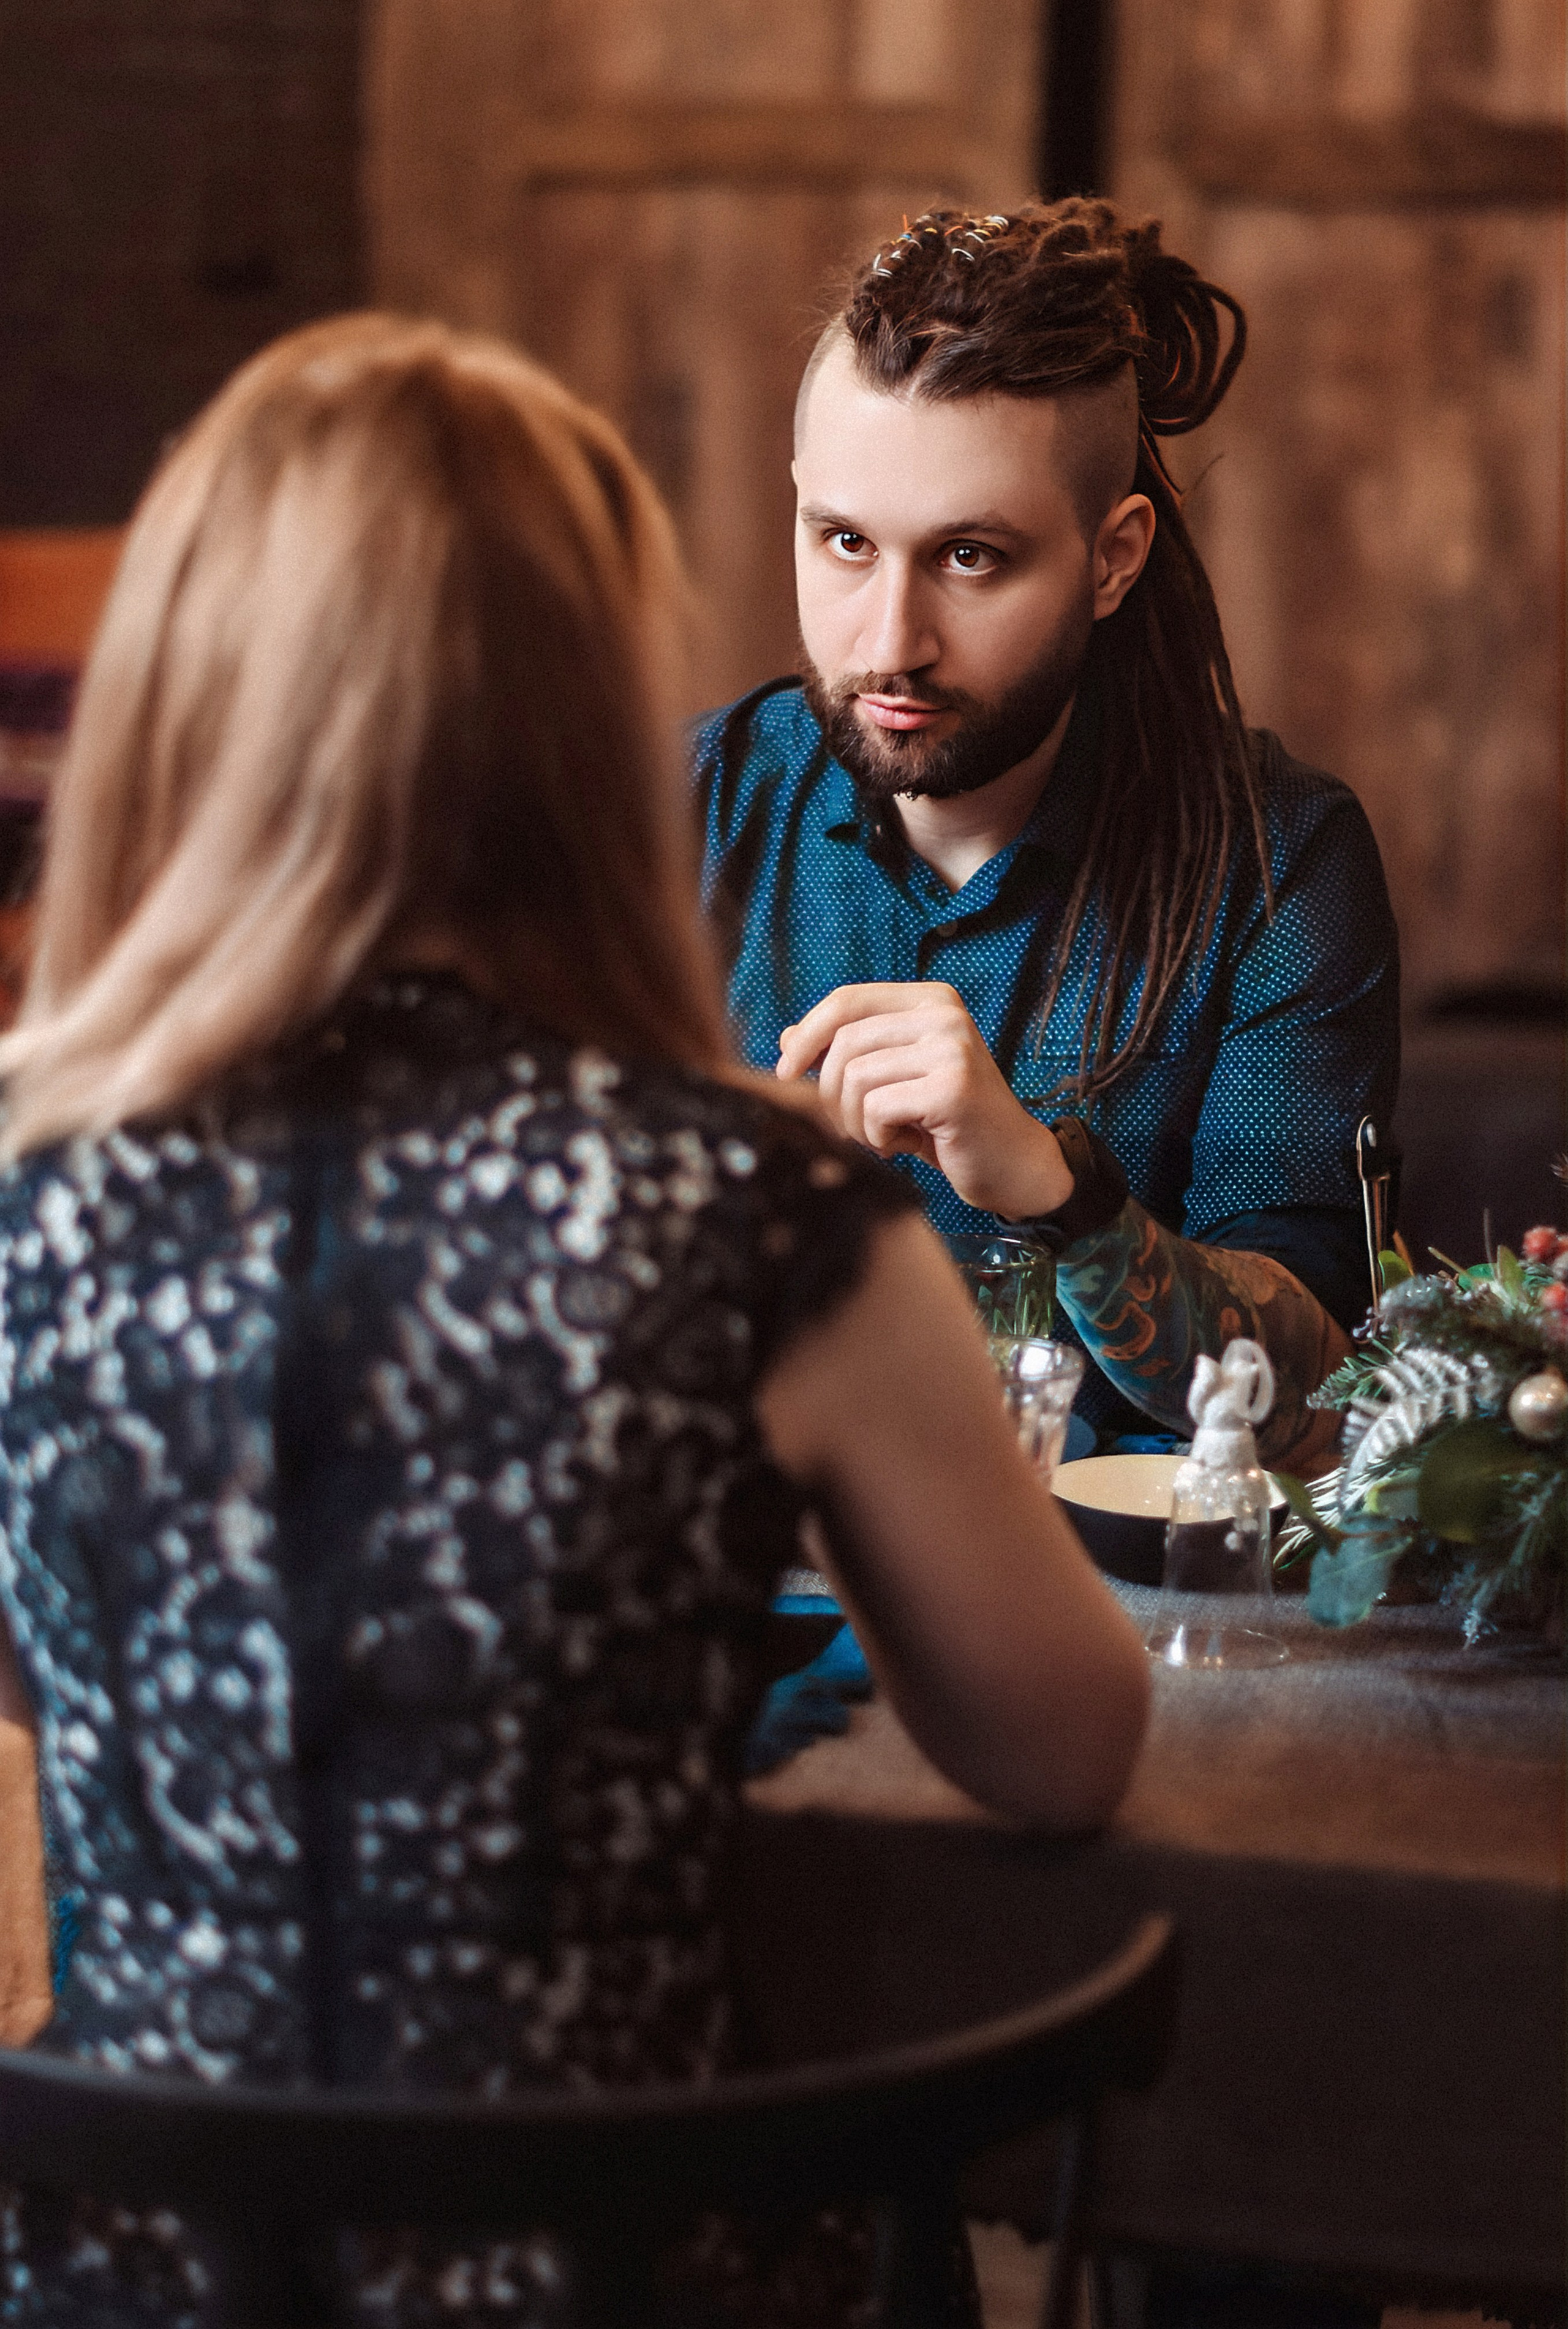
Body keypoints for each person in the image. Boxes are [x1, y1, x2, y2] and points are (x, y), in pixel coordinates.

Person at [0, 314, 1148, 2323]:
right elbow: (1064, 1751)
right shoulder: (764, 1207)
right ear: (594, 715)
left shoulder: (33, 1179)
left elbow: (47, 1675)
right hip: (630, 2272)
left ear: (184, 699)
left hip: (131, 2277)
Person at [697, 198, 1400, 1475]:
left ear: (1112, 557)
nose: (888, 639)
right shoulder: (686, 813)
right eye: (843, 543)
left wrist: (1052, 1188)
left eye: (968, 558)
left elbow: (1318, 1395)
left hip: (1144, 1630)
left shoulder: (1275, 869)